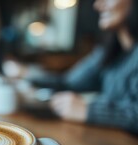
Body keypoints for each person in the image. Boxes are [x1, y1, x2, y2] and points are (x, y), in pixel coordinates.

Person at [12, 0, 138, 134]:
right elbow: (68, 82)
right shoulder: (108, 51)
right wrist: (26, 73)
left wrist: (88, 110)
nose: (97, 5)